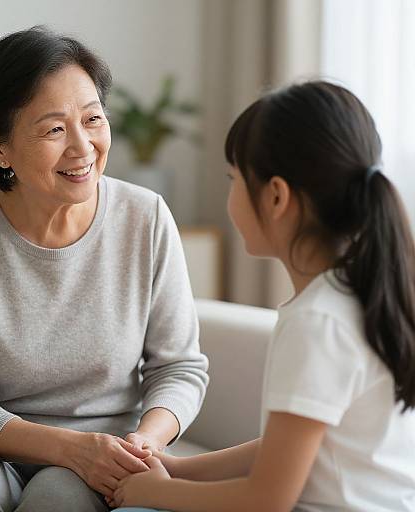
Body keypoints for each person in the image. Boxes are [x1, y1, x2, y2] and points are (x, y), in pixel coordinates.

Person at [0, 26, 208, 512]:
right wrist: (70, 448)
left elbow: (180, 367)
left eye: (93, 119)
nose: (83, 147)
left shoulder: (145, 217)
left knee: (59, 499)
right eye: (54, 129)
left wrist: (144, 442)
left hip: (105, 446)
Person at [110, 81, 415, 511]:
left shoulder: (317, 322)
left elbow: (267, 498)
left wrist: (156, 491)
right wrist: (178, 470)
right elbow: (287, 448)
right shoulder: (357, 297)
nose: (230, 195)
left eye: (235, 179)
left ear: (275, 196)